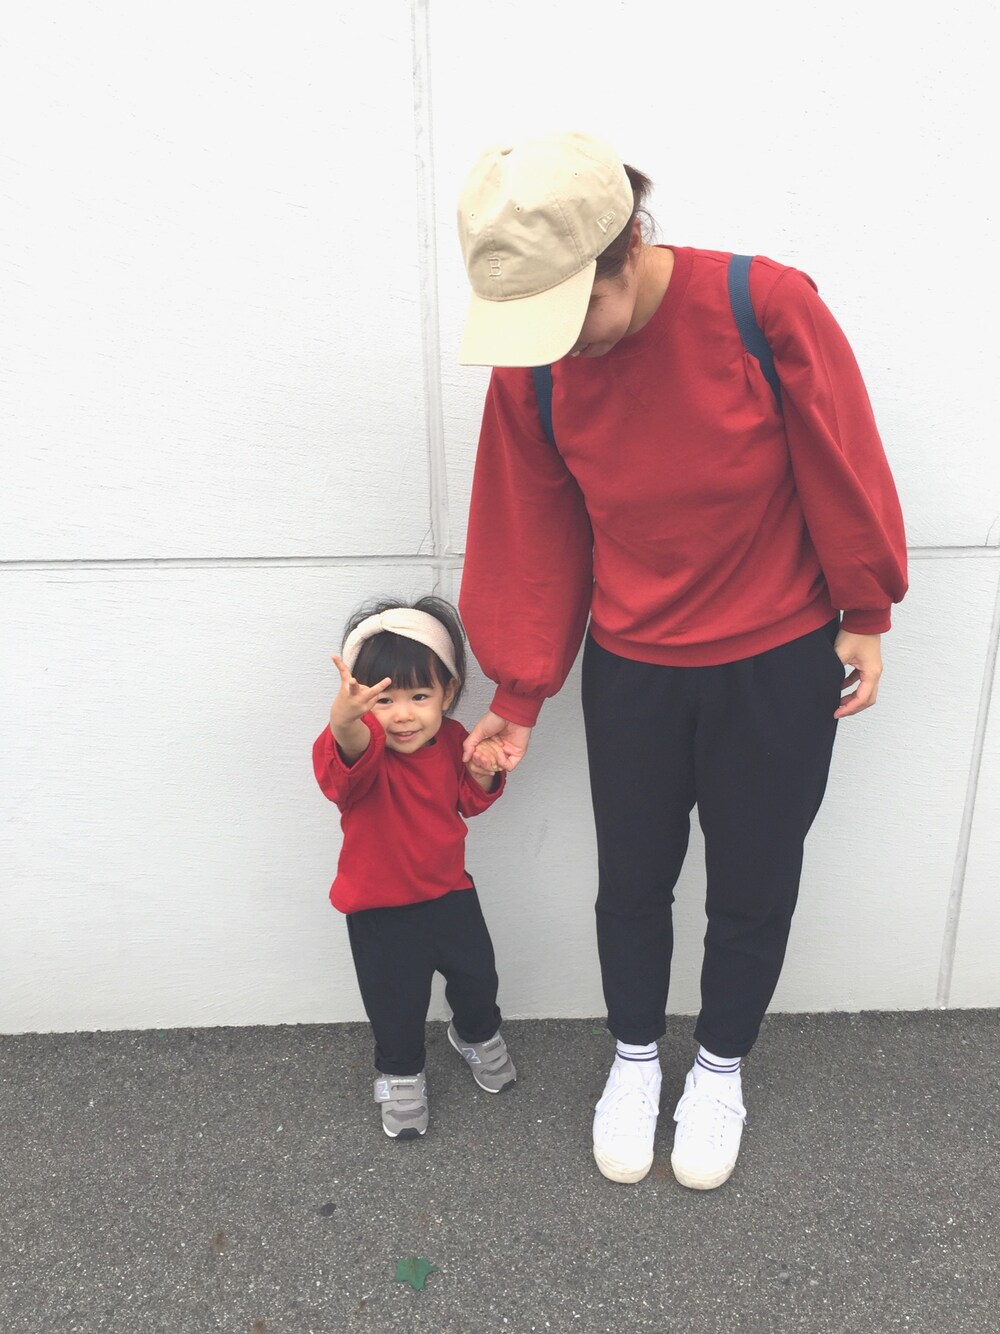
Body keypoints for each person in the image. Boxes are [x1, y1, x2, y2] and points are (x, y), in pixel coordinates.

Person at [454, 132, 907, 1189]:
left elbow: (839, 453)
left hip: (776, 659)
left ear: (625, 250)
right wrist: (519, 691)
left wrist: (865, 607)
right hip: (634, 668)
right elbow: (531, 528)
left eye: (573, 316)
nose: (560, 346)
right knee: (632, 881)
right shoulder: (536, 370)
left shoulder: (761, 308)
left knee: (755, 879)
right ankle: (633, 1058)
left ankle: (718, 1067)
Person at [312, 595, 516, 1140]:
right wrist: (344, 720)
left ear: (447, 692)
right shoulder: (362, 748)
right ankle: (400, 1072)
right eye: (384, 699)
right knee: (395, 1001)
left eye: (420, 696)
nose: (403, 714)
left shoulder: (451, 741)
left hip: (450, 893)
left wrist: (483, 770)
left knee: (478, 977)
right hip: (378, 909)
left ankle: (474, 1033)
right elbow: (348, 752)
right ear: (361, 703)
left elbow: (469, 801)